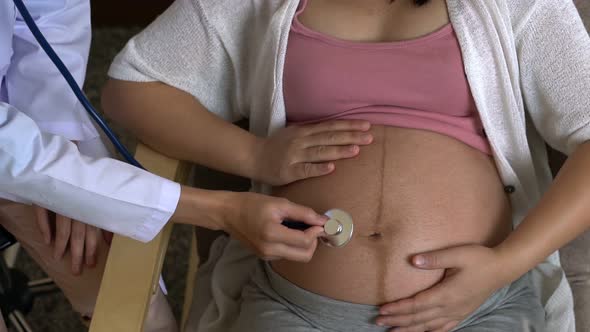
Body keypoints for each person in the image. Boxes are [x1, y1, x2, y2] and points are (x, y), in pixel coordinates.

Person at [102, 0, 590, 331]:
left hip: (474, 307)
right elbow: (133, 87)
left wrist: (505, 265)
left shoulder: (518, 5)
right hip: (297, 308)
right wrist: (255, 155)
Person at [0, 0, 336, 330]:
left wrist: (53, 129)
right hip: (11, 152)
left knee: (126, 291)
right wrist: (220, 209)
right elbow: (14, 157)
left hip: (19, 136)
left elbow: (48, 15)